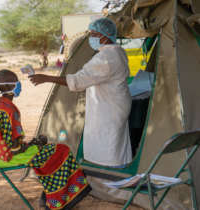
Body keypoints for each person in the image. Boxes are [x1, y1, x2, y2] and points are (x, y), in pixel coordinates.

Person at [29, 18, 132, 167]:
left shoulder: (106, 57)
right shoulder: (117, 52)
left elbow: (78, 81)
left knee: (108, 145)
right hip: (115, 103)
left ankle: (109, 178)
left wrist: (46, 78)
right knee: (115, 142)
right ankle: (114, 174)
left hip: (108, 108)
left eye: (94, 34)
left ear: (104, 35)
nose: (91, 38)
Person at [0, 69, 91, 210]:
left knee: (55, 151)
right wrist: (32, 144)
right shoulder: (8, 110)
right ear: (7, 87)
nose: (19, 84)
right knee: (62, 152)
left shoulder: (1, 104)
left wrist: (33, 144)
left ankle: (51, 196)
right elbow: (12, 147)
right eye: (16, 82)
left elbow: (5, 140)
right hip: (9, 156)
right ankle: (57, 200)